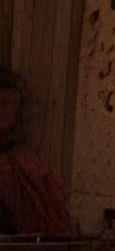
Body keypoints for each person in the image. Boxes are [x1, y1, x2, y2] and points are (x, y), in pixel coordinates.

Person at [0, 69, 76, 237]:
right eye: (1, 102)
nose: (4, 109)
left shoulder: (31, 165)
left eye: (9, 103)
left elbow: (55, 226)